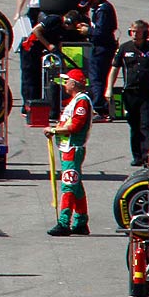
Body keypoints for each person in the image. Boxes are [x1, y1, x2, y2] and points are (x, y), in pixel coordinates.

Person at [107, 19, 149, 165]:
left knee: (147, 125)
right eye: (132, 31)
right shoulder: (124, 49)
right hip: (130, 93)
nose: (134, 34)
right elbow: (114, 68)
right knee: (134, 125)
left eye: (138, 32)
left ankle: (148, 156)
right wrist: (109, 89)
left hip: (148, 93)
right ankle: (137, 156)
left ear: (146, 33)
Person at [46, 68, 94, 236]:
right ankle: (81, 221)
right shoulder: (74, 101)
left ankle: (64, 222)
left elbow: (75, 126)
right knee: (76, 185)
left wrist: (53, 131)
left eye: (67, 81)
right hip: (68, 149)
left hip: (73, 149)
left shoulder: (81, 101)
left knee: (68, 185)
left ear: (74, 83)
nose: (65, 84)